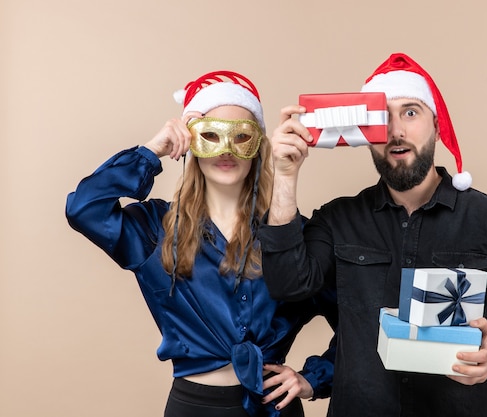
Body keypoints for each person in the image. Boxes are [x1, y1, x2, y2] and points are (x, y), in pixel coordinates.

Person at [257, 53, 487, 417]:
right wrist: (284, 176)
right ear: (366, 134)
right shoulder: (337, 220)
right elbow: (287, 285)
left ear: (438, 126)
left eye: (410, 113)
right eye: (383, 118)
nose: (396, 131)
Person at [66, 70, 336, 417]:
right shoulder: (155, 229)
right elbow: (84, 209)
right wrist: (152, 150)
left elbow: (355, 322)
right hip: (193, 407)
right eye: (210, 135)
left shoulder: (291, 235)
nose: (226, 151)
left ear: (258, 146)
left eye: (240, 137)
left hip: (273, 407)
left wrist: (313, 379)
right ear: (192, 141)